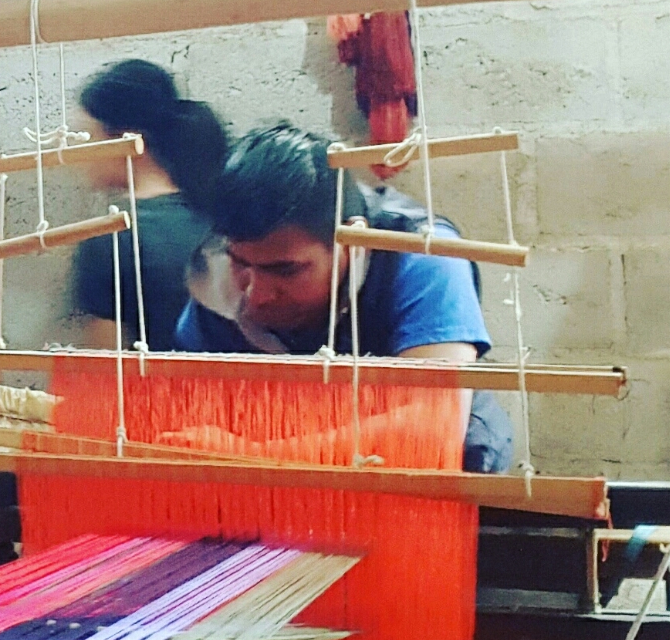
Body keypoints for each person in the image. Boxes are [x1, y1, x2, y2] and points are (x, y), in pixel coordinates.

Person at [173, 125, 514, 473]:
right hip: (281, 461)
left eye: (286, 270)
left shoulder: (422, 255)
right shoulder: (214, 276)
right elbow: (185, 410)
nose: (257, 295)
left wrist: (253, 456)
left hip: (427, 472)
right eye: (241, 264)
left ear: (351, 241)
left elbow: (435, 423)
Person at [67, 59, 231, 350]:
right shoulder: (220, 212)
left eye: (89, 137)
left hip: (152, 382)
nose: (80, 155)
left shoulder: (111, 236)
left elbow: (105, 366)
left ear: (127, 140)